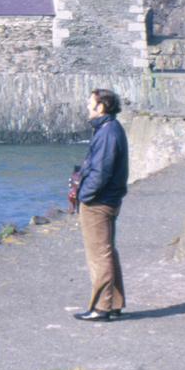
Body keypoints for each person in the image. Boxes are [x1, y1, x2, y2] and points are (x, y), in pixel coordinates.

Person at [67, 88, 129, 321]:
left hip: (99, 202)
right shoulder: (110, 129)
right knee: (107, 252)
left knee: (99, 255)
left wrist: (84, 196)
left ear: (101, 107)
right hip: (107, 200)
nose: (87, 106)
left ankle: (102, 307)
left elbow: (100, 172)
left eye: (89, 103)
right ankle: (114, 304)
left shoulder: (107, 132)